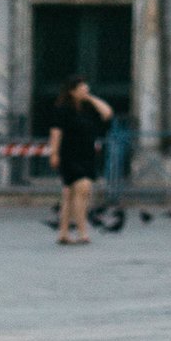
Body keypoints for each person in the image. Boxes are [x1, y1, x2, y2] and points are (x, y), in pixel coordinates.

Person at [50, 76, 112, 244]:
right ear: (72, 91)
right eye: (83, 88)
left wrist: (90, 98)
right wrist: (54, 153)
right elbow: (56, 131)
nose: (86, 90)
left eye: (87, 88)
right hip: (69, 154)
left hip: (86, 154)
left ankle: (63, 233)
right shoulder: (63, 109)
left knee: (69, 194)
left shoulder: (88, 108)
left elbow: (107, 113)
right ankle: (82, 231)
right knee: (83, 188)